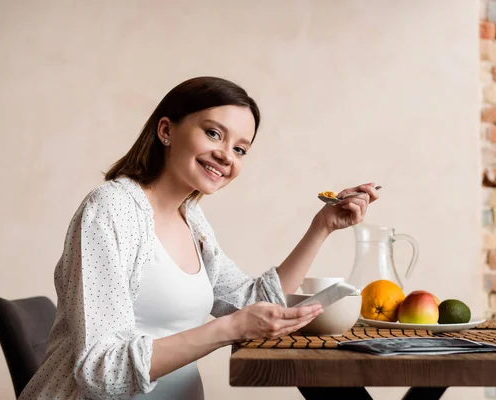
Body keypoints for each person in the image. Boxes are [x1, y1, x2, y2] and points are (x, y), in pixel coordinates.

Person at [20, 76, 380, 399]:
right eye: (213, 133)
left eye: (240, 149)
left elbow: (251, 302)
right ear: (166, 130)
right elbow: (101, 372)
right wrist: (228, 329)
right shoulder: (112, 209)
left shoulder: (191, 220)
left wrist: (323, 226)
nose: (226, 155)